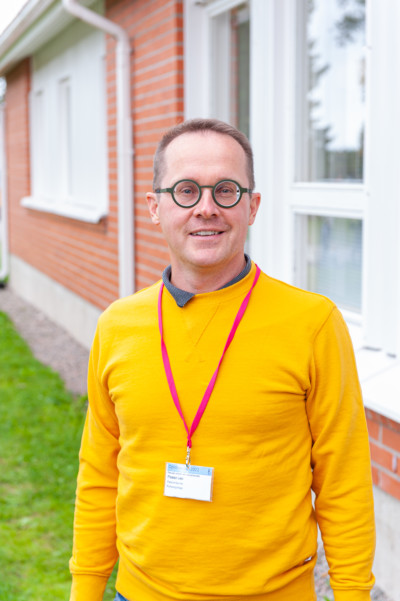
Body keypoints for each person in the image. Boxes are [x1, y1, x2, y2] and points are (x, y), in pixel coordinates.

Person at [69, 118, 375, 601]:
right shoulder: (117, 326)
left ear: (252, 206)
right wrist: (85, 588)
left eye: (226, 190)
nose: (206, 208)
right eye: (186, 190)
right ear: (155, 207)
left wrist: (353, 592)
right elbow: (99, 474)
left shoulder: (312, 323)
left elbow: (344, 480)